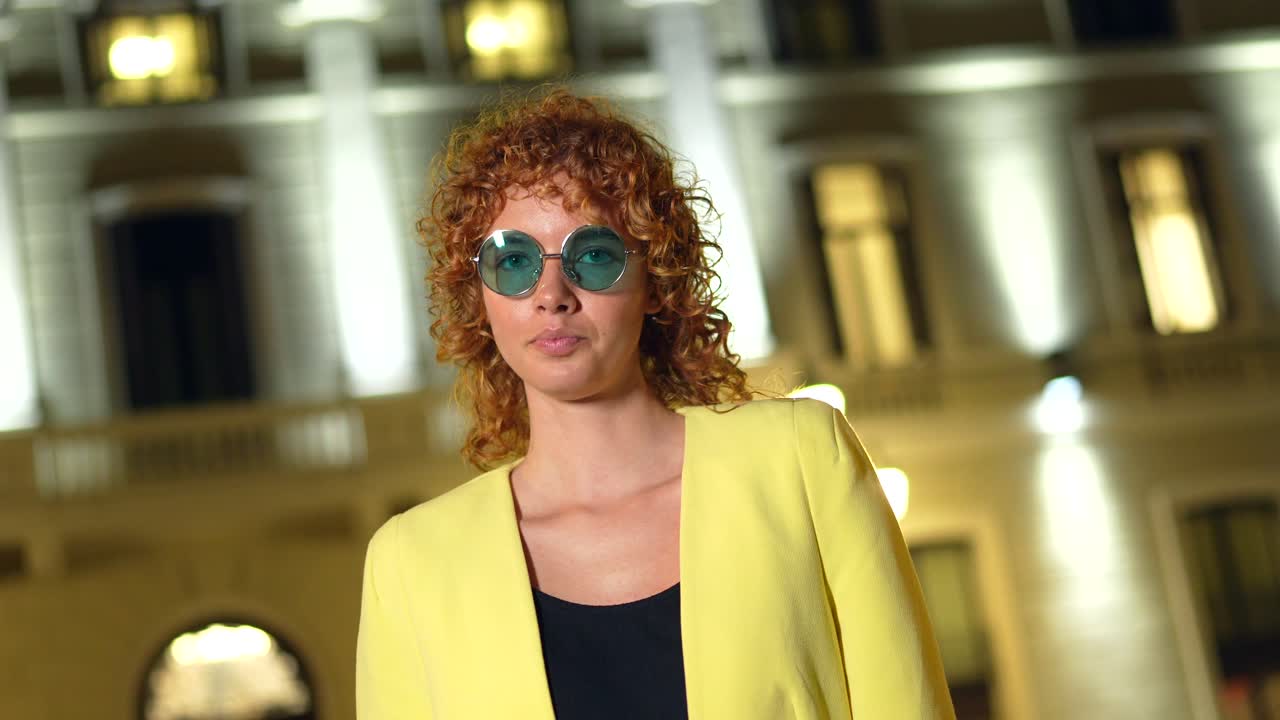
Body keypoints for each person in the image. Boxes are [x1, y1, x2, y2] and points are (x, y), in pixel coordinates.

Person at [355, 88, 956, 720]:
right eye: (513, 261)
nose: (551, 293)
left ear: (653, 279)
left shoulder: (802, 461)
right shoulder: (411, 562)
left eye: (593, 256)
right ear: (480, 296)